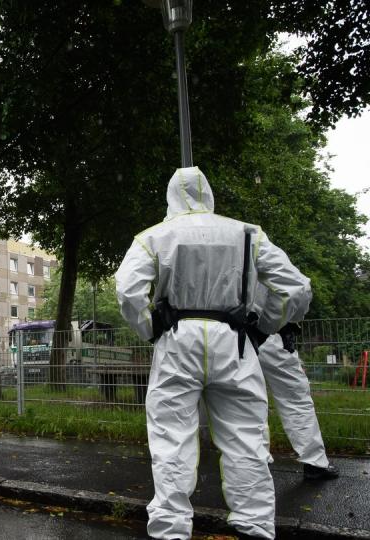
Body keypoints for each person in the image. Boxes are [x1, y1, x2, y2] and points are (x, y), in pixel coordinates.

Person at [115, 167, 311, 540]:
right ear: (210, 193)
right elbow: (295, 288)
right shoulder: (248, 233)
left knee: (172, 437)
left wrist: (149, 326)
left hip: (177, 339)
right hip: (234, 340)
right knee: (246, 438)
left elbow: (127, 290)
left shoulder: (154, 236)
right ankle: (254, 525)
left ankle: (171, 530)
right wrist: (263, 326)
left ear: (171, 195)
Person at [253, 292, 338, 480]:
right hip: (271, 333)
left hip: (236, 336)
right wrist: (291, 320)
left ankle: (256, 463)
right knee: (295, 400)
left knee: (250, 402)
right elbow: (297, 289)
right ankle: (314, 462)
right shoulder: (264, 260)